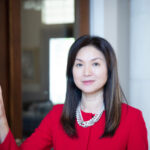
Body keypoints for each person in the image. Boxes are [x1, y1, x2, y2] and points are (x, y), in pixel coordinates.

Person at [0, 35, 148, 150]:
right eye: (79, 64)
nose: (86, 72)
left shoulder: (132, 119)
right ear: (71, 71)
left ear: (109, 70)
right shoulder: (57, 115)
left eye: (95, 64)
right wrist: (2, 120)